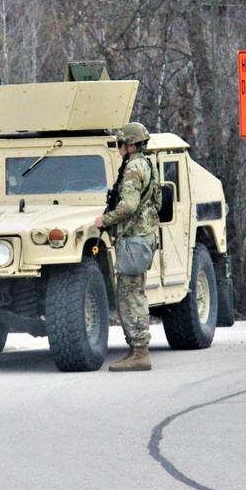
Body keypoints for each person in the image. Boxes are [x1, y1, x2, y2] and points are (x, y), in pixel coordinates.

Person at [94, 121, 161, 371]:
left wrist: (105, 220)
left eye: (120, 143)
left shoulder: (133, 168)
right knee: (134, 291)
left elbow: (129, 206)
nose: (118, 147)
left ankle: (139, 352)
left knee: (130, 294)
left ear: (131, 144)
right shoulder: (147, 164)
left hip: (134, 239)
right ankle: (137, 349)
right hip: (142, 237)